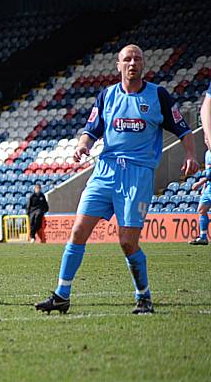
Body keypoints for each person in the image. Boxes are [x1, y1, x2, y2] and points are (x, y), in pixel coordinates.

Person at [34, 44, 198, 315]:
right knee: (77, 231)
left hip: (137, 175)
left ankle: (143, 296)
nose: (132, 63)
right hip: (105, 172)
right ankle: (62, 294)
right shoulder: (107, 96)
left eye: (137, 59)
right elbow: (91, 129)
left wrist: (191, 154)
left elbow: (183, 129)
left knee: (127, 242)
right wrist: (82, 145)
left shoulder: (158, 95)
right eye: (127, 59)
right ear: (118, 65)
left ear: (143, 65)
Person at [190, 149, 211, 245]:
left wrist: (200, 183)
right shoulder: (207, 153)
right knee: (202, 209)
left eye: (207, 138)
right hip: (209, 186)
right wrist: (205, 185)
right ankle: (203, 237)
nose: (206, 139)